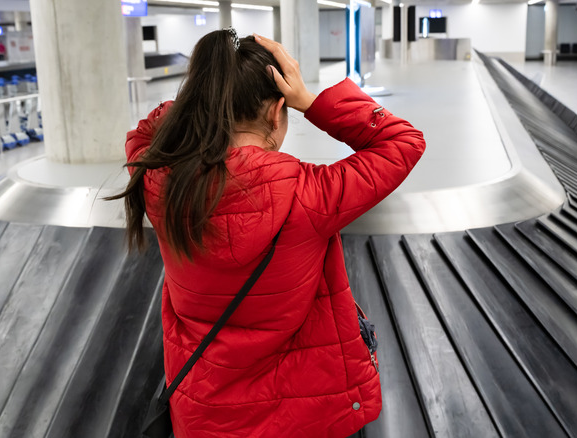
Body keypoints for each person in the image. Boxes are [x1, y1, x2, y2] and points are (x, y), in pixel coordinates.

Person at [112, 30, 425, 437]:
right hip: (305, 417)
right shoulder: (310, 194)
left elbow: (141, 133)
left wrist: (205, 92)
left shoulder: (159, 184)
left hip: (205, 417)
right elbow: (403, 141)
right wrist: (312, 102)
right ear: (278, 113)